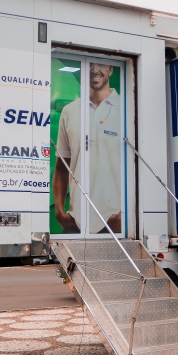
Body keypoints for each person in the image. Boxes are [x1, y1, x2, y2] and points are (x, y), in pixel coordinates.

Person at [53, 62, 122, 234]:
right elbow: (62, 166)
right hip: (76, 221)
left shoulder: (127, 110)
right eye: (90, 64)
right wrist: (60, 212)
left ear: (111, 69)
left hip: (114, 221)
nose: (94, 69)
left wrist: (125, 215)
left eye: (101, 64)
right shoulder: (69, 111)